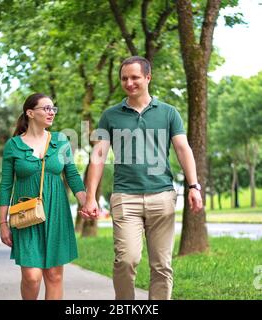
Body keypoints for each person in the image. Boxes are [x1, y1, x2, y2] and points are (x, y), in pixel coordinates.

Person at [82, 56, 203, 300]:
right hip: (126, 197)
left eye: (135, 77)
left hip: (162, 195)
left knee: (161, 265)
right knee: (126, 260)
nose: (129, 82)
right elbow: (98, 155)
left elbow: (183, 149)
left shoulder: (169, 112)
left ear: (148, 77)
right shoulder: (110, 115)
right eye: (124, 78)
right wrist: (91, 197)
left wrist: (193, 186)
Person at [0, 93, 86, 300]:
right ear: (30, 113)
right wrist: (3, 222)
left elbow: (72, 174)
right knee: (32, 276)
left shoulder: (60, 140)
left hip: (57, 214)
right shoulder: (13, 145)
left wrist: (86, 202)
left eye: (53, 108)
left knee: (54, 276)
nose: (51, 112)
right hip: (26, 216)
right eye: (46, 108)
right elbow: (5, 185)